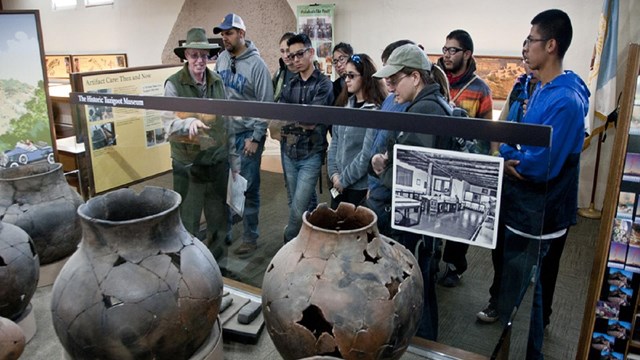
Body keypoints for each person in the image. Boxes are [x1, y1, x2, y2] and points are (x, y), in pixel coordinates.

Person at [497, 9, 589, 359]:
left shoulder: (564, 100)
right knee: (516, 293)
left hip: (540, 214)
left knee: (528, 300)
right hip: (523, 210)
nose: (526, 47)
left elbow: (535, 166)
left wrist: (508, 152)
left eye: (531, 40)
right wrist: (510, 149)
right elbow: (513, 138)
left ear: (551, 45)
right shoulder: (539, 88)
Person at [371, 43, 453, 341]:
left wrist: (383, 168)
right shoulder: (429, 106)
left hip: (416, 222)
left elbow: (415, 178)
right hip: (424, 222)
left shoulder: (425, 111)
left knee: (417, 289)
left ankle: (421, 345)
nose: (390, 88)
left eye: (394, 80)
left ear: (415, 77)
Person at [477, 56, 540, 324]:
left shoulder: (556, 95)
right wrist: (500, 156)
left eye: (530, 47)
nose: (526, 57)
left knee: (523, 253)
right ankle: (497, 300)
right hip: (507, 178)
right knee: (499, 246)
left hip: (532, 187)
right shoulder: (518, 88)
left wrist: (518, 161)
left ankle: (523, 307)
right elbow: (499, 128)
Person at [163, 27, 236, 253]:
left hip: (216, 162)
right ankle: (190, 270)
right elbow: (168, 126)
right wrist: (188, 123)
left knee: (218, 221)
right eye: (194, 55)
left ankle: (217, 270)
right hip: (188, 165)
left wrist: (234, 161)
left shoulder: (217, 82)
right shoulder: (174, 84)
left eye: (204, 56)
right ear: (186, 56)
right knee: (188, 221)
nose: (199, 61)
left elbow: (227, 122)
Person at [436, 29, 494, 288]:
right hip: (438, 158)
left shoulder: (480, 89)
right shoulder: (436, 83)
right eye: (445, 49)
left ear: (467, 54)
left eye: (453, 50)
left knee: (460, 219)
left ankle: (454, 266)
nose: (447, 55)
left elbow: (486, 131)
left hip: (465, 163)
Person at [213, 13, 274, 257]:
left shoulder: (257, 65)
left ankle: (250, 237)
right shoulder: (221, 60)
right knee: (226, 187)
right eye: (222, 34)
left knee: (248, 189)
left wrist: (256, 137)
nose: (224, 38)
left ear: (242, 34)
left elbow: (266, 103)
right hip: (226, 135)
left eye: (229, 33)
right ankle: (226, 231)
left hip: (248, 135)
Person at [279, 33, 334, 242]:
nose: (295, 60)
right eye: (291, 56)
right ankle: (308, 240)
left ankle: (289, 240)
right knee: (296, 202)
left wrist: (293, 120)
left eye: (299, 54)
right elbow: (280, 115)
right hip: (289, 152)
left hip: (311, 154)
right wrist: (297, 120)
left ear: (311, 52)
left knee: (298, 207)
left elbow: (311, 120)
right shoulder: (290, 84)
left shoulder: (323, 84)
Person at [363, 39, 414, 236]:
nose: (389, 83)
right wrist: (372, 184)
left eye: (393, 76)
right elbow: (378, 141)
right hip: (378, 186)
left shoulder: (411, 105)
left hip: (391, 192)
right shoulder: (391, 99)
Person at [327, 53, 386, 209]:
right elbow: (335, 143)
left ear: (365, 77)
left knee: (353, 229)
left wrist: (344, 180)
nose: (346, 80)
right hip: (338, 182)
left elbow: (366, 154)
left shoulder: (374, 111)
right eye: (346, 75)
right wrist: (334, 175)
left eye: (351, 76)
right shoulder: (344, 105)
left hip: (358, 187)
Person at [273, 32, 297, 102]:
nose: (285, 55)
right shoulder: (279, 73)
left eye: (288, 51)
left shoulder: (305, 74)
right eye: (282, 51)